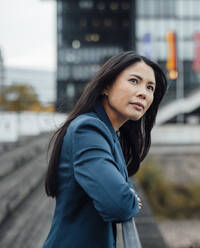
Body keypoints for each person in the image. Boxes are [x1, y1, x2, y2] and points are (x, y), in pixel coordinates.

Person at [42, 51, 168, 248]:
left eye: (150, 87)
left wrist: (125, 191)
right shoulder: (87, 130)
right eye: (134, 81)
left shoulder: (109, 133)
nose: (144, 92)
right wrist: (129, 198)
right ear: (106, 87)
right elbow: (118, 204)